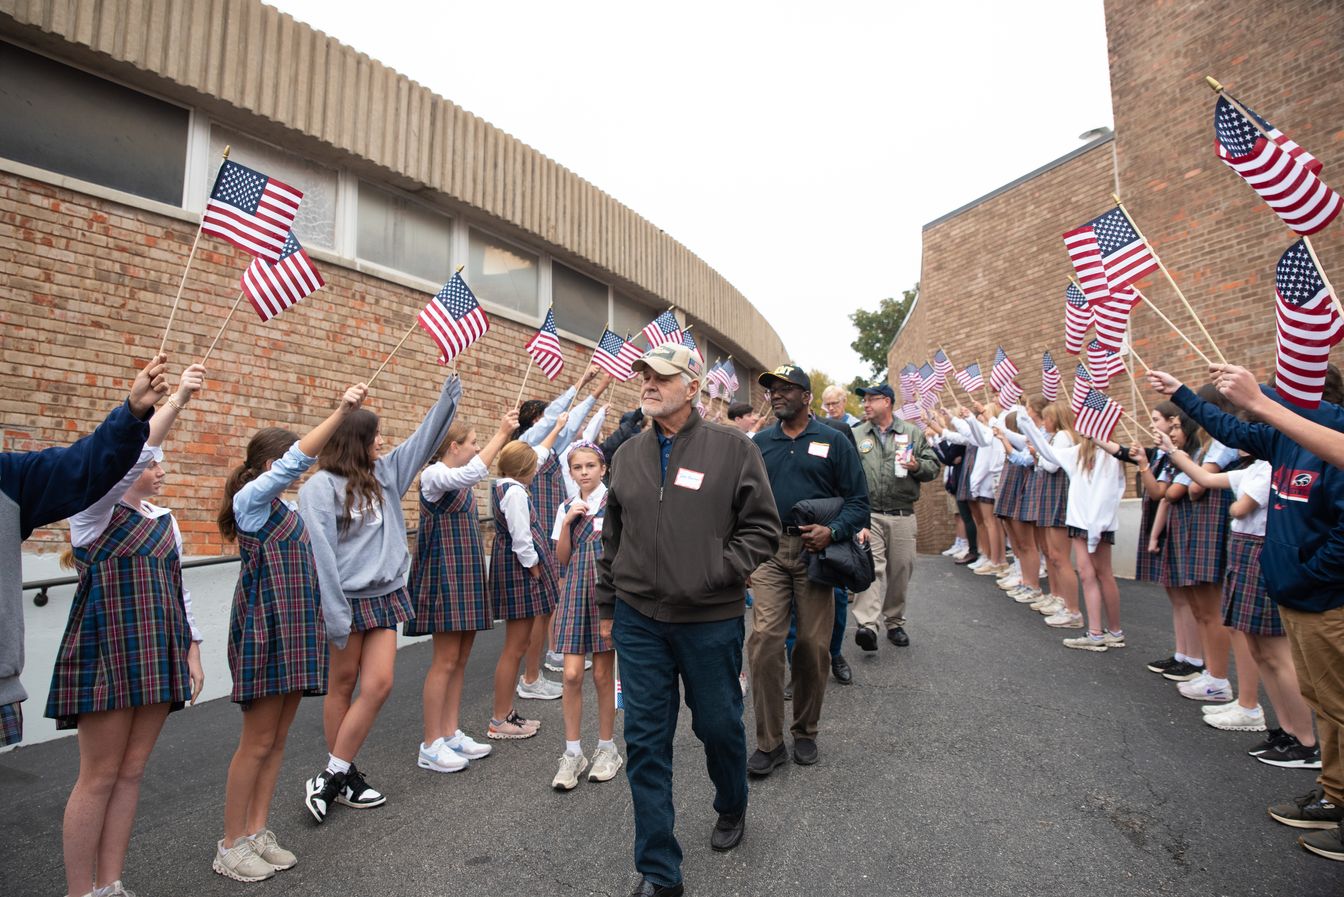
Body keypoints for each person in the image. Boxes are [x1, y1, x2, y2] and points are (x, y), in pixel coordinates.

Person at [596, 342, 779, 897]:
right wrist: (607, 606)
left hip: (708, 620)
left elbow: (763, 529)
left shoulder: (733, 449)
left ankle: (731, 803)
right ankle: (658, 870)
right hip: (639, 621)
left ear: (693, 386)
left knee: (718, 725)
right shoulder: (627, 454)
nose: (648, 383)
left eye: (661, 376)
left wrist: (717, 571)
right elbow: (613, 538)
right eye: (644, 375)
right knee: (645, 741)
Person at [1150, 366, 1344, 860]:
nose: (1275, 395)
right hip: (1295, 593)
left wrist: (1308, 573)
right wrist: (1183, 396)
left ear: (1318, 400)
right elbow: (1234, 430)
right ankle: (1334, 796)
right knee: (1322, 701)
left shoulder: (1332, 444)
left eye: (1289, 389)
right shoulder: (1284, 441)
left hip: (1323, 599)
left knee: (1341, 705)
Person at [49, 364, 206, 897]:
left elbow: (179, 589)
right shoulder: (92, 511)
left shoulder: (165, 520)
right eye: (151, 462)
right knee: (98, 775)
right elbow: (132, 452)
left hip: (157, 648)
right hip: (107, 650)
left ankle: (110, 884)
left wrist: (192, 649)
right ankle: (79, 891)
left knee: (133, 772)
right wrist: (178, 398)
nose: (159, 467)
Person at [212, 382, 368, 882]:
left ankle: (257, 831)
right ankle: (230, 842)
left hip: (297, 629)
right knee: (255, 740)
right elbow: (294, 464)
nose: (298, 467)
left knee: (277, 740)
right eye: (286, 461)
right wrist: (340, 412)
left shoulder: (290, 510)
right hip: (265, 629)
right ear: (264, 468)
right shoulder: (251, 504)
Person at [298, 373, 461, 823]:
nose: (381, 442)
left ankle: (331, 774)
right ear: (355, 440)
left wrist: (447, 398)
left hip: (385, 596)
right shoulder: (317, 490)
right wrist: (334, 615)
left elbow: (421, 442)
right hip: (344, 601)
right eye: (373, 436)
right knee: (343, 686)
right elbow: (322, 558)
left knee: (380, 684)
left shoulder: (385, 474)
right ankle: (346, 776)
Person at [0, 353, 167, 752]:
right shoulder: (97, 519)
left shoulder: (8, 477)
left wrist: (133, 412)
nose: (162, 473)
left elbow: (87, 465)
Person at [749, 364, 868, 775]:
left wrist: (833, 530)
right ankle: (769, 742)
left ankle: (805, 732)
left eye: (786, 389)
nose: (776, 395)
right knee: (765, 640)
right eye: (772, 390)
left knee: (814, 646)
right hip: (767, 551)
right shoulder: (759, 443)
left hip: (817, 552)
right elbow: (741, 499)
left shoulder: (835, 441)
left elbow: (858, 502)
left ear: (807, 396)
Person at [406, 407, 518, 772]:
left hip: (466, 571)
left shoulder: (457, 478)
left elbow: (471, 473)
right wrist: (501, 435)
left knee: (461, 658)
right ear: (453, 446)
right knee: (445, 660)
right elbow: (472, 471)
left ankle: (450, 732)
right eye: (472, 443)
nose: (475, 448)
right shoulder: (435, 475)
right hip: (444, 573)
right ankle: (429, 742)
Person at [517, 367, 609, 697]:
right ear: (534, 422)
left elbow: (573, 423)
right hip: (533, 536)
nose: (557, 424)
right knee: (536, 613)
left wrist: (596, 390)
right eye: (547, 419)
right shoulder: (528, 447)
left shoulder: (551, 450)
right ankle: (530, 675)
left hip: (545, 533)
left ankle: (540, 665)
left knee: (546, 608)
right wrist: (583, 384)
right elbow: (560, 419)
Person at [486, 417, 569, 738]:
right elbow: (522, 538)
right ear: (524, 469)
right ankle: (499, 719)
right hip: (521, 570)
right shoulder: (517, 493)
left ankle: (505, 714)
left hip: (514, 568)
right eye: (533, 466)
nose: (538, 469)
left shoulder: (504, 486)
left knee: (517, 645)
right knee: (514, 646)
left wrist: (557, 427)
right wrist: (535, 567)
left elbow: (540, 450)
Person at [549, 442, 622, 790]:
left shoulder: (615, 501)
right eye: (577, 468)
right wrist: (567, 522)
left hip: (606, 592)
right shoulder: (567, 506)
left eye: (590, 466)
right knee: (572, 674)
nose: (584, 473)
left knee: (604, 676)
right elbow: (562, 558)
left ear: (602, 468)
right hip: (576, 593)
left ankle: (607, 747)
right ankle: (572, 752)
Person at [849, 383, 938, 650]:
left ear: (886, 402)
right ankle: (867, 626)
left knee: (900, 570)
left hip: (902, 514)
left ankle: (895, 621)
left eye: (871, 399)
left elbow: (933, 466)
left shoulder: (911, 433)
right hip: (870, 514)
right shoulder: (856, 435)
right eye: (863, 400)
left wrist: (917, 465)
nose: (865, 404)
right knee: (870, 570)